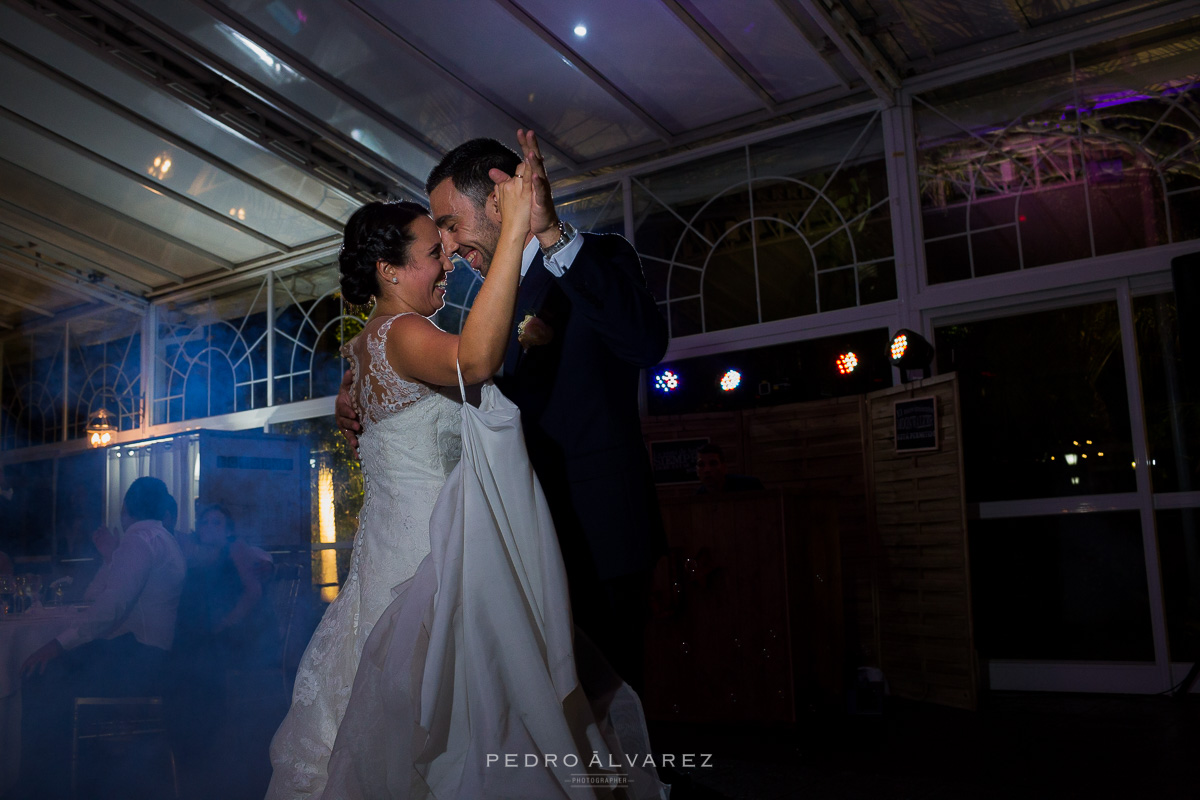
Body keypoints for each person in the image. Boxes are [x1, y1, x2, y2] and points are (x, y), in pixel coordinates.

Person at [336, 131, 669, 694]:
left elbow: (644, 345)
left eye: (448, 223)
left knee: (610, 706)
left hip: (596, 530)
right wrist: (373, 398)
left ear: (497, 200)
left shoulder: (599, 259)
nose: (444, 244)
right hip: (515, 542)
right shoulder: (484, 302)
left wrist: (548, 233)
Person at [17, 476, 187, 800]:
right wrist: (111, 556)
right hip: (154, 660)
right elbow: (99, 597)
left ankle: (44, 784)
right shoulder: (162, 538)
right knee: (62, 665)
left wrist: (57, 644)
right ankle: (83, 773)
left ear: (125, 508)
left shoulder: (140, 540)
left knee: (41, 672)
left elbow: (109, 608)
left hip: (139, 661)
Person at [694, 443, 765, 495]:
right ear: (697, 470)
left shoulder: (750, 486)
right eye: (701, 464)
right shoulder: (699, 496)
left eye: (713, 464)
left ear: (724, 467)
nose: (707, 470)